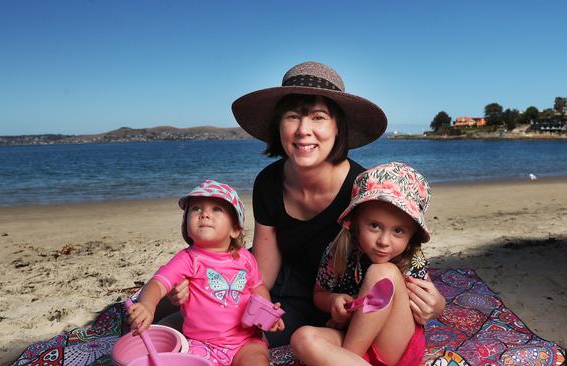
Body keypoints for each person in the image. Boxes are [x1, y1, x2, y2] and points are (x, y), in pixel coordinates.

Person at [172, 61, 445, 347]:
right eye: (292, 116)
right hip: (278, 283)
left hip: (329, 301)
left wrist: (436, 303)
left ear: (338, 127)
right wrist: (216, 295)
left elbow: (393, 259)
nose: (303, 130)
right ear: (279, 125)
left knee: (230, 336)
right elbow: (263, 273)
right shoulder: (269, 181)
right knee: (185, 314)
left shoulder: (362, 189)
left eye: (318, 117)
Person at [127, 180, 284, 366]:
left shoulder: (245, 258)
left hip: (247, 341)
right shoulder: (188, 259)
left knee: (257, 360)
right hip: (202, 345)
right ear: (186, 226)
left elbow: (257, 288)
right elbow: (159, 283)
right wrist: (147, 305)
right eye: (196, 209)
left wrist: (266, 313)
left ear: (235, 229)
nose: (204, 214)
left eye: (217, 209)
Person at [291, 162, 430, 366]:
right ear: (355, 222)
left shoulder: (412, 257)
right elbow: (319, 294)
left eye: (398, 231)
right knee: (302, 338)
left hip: (393, 345)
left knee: (384, 274)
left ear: (412, 234)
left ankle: (348, 358)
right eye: (374, 226)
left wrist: (437, 304)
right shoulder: (338, 250)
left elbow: (429, 302)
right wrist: (333, 301)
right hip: (351, 340)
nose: (384, 241)